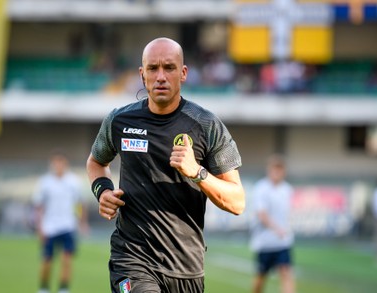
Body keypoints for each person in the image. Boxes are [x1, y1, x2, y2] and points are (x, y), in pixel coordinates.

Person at [86, 37, 245, 293]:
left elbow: (237, 202)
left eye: (169, 68)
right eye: (153, 68)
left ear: (183, 73)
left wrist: (197, 172)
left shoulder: (206, 125)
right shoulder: (119, 120)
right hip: (131, 259)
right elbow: (96, 162)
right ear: (142, 75)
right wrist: (102, 190)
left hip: (186, 268)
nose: (160, 76)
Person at [33, 150, 88, 293]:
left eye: (60, 163)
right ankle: (43, 287)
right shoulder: (45, 182)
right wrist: (39, 227)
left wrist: (82, 223)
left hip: (68, 225)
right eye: (55, 164)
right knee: (47, 261)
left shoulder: (73, 182)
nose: (58, 166)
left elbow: (80, 204)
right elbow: (39, 207)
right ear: (51, 165)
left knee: (67, 259)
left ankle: (63, 289)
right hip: (49, 227)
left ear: (65, 164)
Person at [249, 154, 295, 293]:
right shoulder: (261, 188)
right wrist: (277, 229)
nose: (277, 173)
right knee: (261, 277)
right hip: (265, 242)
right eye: (274, 169)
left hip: (282, 242)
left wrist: (285, 230)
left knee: (286, 273)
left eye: (280, 170)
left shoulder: (287, 189)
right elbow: (262, 214)